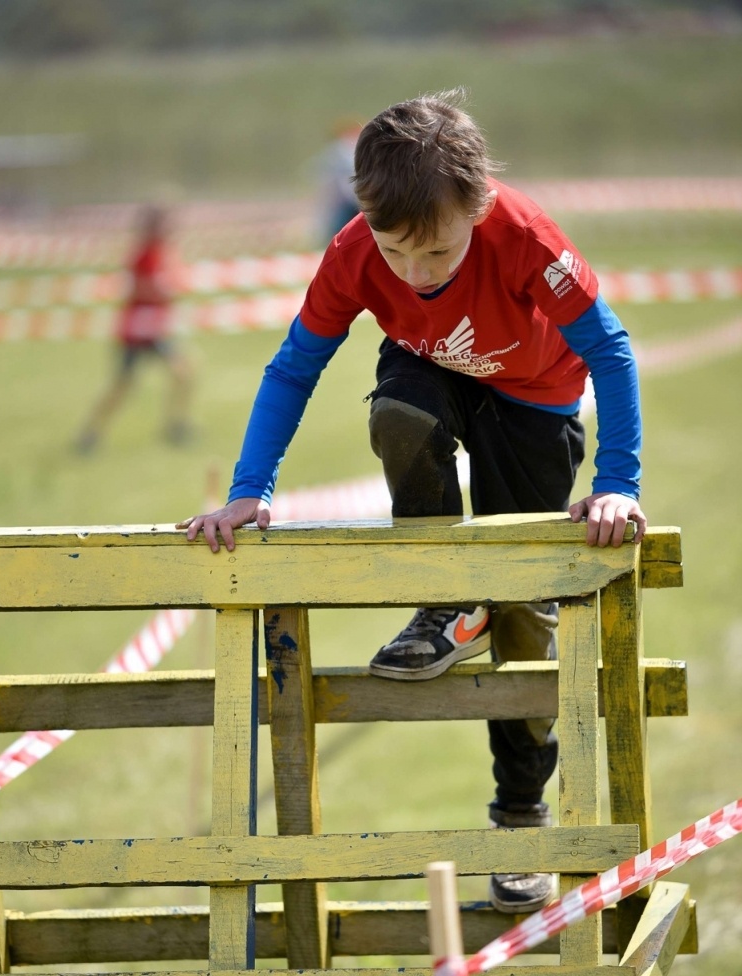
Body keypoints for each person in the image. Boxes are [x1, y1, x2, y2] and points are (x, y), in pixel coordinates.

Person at [178, 90, 646, 914]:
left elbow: (609, 350)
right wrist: (249, 491)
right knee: (399, 409)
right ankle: (446, 601)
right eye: (397, 252)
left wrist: (616, 484)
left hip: (535, 404)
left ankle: (521, 817)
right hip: (430, 377)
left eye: (436, 252)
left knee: (522, 622)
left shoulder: (527, 239)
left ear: (479, 205)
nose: (416, 273)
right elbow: (293, 367)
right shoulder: (354, 252)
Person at [75, 205, 193, 452]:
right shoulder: (143, 255)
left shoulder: (162, 252)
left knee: (183, 372)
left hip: (155, 329)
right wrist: (164, 290)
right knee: (123, 385)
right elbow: (140, 288)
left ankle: (176, 425)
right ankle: (90, 432)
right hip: (138, 331)